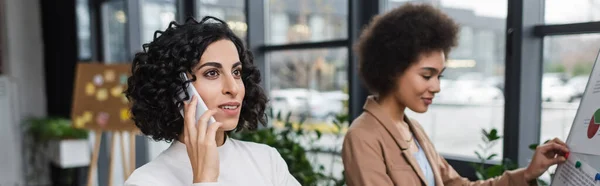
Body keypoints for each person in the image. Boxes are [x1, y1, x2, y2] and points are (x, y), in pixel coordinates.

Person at [341, 3, 569, 186]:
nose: (437, 87)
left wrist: (528, 173)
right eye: (427, 75)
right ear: (392, 69)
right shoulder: (363, 137)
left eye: (439, 76)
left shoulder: (413, 130)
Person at [124, 16, 300, 186]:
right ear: (176, 88)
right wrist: (204, 179)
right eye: (212, 73)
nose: (234, 88)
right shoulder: (145, 181)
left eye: (236, 72)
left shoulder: (267, 161)